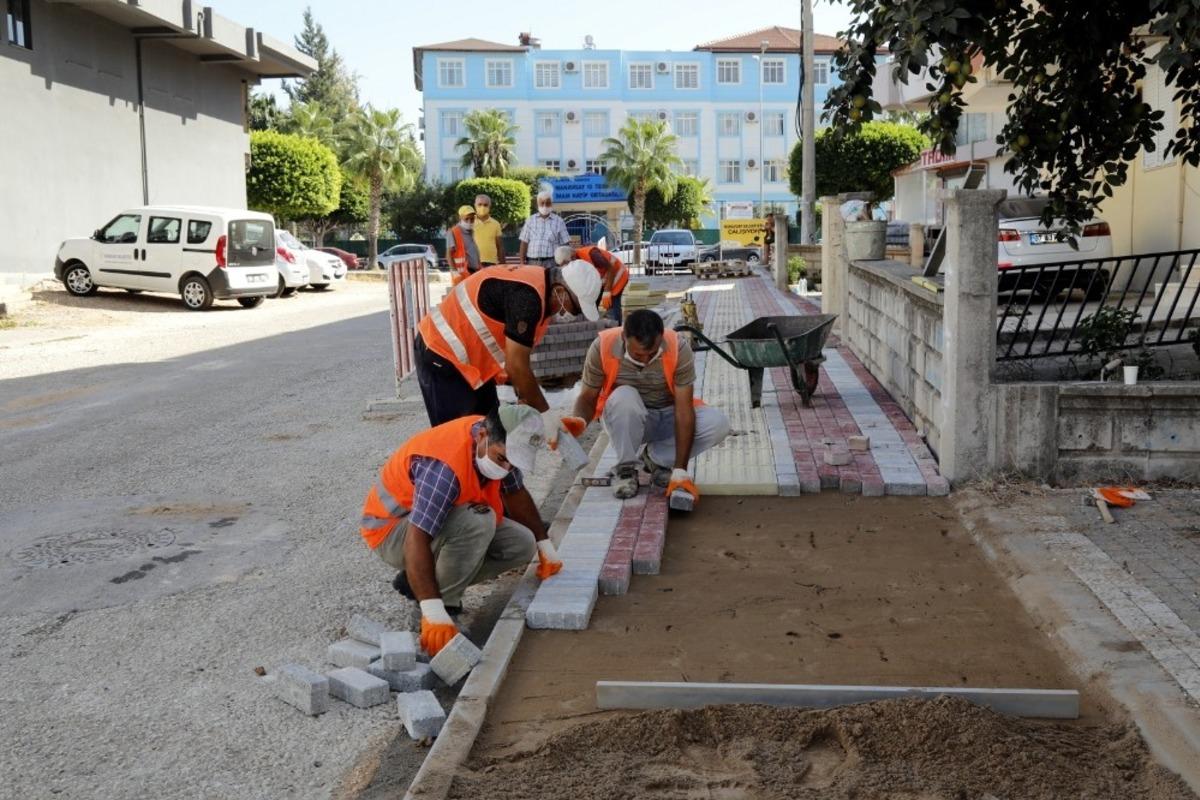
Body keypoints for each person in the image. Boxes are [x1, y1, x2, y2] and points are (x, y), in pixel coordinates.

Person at [359, 405, 563, 656]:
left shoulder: (499, 443)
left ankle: (422, 581)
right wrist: (434, 611)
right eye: (502, 459)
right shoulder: (443, 470)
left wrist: (544, 545)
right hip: (392, 531)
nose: (506, 468)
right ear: (481, 437)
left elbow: (515, 492)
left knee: (521, 543)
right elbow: (418, 537)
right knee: (478, 521)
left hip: (438, 522)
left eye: (514, 463)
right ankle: (438, 609)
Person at [566, 309, 730, 502]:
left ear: (661, 337)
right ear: (623, 338)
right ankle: (625, 470)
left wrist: (680, 471)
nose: (645, 360)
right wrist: (578, 420)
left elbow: (684, 409)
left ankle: (653, 459)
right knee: (624, 396)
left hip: (668, 415)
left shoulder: (678, 347)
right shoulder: (602, 346)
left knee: (718, 424)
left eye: (651, 353)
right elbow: (587, 396)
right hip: (627, 420)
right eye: (637, 354)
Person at [414, 261, 602, 428]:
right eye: (576, 308)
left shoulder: (539, 287)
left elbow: (516, 361)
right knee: (458, 434)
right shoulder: (528, 299)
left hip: (468, 364)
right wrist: (546, 415)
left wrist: (523, 394)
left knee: (487, 430)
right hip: (440, 353)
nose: (572, 314)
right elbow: (517, 366)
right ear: (560, 291)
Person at [555, 243, 629, 322]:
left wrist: (607, 291)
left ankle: (615, 327)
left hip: (617, 276)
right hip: (603, 280)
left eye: (566, 264)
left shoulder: (592, 254)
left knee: (611, 304)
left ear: (572, 257)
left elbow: (610, 268)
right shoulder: (575, 265)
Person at [518, 190, 570, 267]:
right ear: (537, 204)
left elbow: (565, 244)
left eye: (548, 203)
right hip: (532, 263)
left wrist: (564, 264)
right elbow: (524, 243)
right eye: (542, 203)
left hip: (552, 263)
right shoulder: (530, 220)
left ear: (551, 204)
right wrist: (522, 263)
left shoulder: (559, 221)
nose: (545, 206)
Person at [447, 206, 481, 284]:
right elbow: (448, 254)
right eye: (466, 219)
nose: (469, 221)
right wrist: (454, 271)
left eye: (472, 219)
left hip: (474, 272)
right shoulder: (452, 232)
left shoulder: (471, 232)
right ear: (460, 218)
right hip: (462, 274)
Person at [472, 194, 505, 267]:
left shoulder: (496, 224)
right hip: (473, 263)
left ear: (489, 206)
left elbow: (500, 246)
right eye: (479, 204)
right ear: (475, 205)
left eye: (485, 205)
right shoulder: (469, 223)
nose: (482, 207)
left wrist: (503, 266)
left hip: (492, 263)